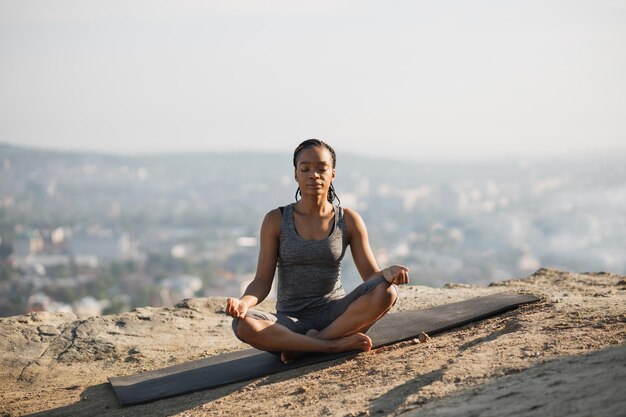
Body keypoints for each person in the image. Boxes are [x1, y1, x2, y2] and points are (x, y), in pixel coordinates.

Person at [226, 139, 409, 363]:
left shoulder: (349, 220)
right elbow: (262, 281)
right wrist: (243, 303)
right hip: (289, 321)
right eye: (305, 169)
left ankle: (305, 346)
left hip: (336, 317)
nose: (314, 175)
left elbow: (371, 276)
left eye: (321, 169)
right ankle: (330, 346)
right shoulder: (276, 220)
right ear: (296, 174)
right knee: (242, 325)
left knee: (387, 292)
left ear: (333, 173)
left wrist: (387, 273)